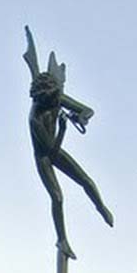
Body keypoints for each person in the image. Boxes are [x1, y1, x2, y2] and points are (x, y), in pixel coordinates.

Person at [23, 27, 113, 260]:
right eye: (54, 100)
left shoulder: (55, 98)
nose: (58, 102)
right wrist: (63, 129)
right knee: (57, 197)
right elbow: (51, 152)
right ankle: (61, 239)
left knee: (86, 180)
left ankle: (101, 207)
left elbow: (88, 110)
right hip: (44, 156)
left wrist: (80, 117)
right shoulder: (35, 118)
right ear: (43, 100)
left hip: (54, 149)